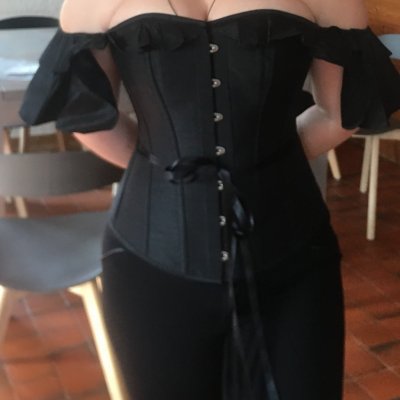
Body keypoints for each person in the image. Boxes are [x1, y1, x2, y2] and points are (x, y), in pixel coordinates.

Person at [19, 0, 400, 399]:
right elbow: (90, 117)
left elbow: (341, 113)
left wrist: (246, 163)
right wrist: (175, 168)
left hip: (293, 261)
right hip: (150, 262)